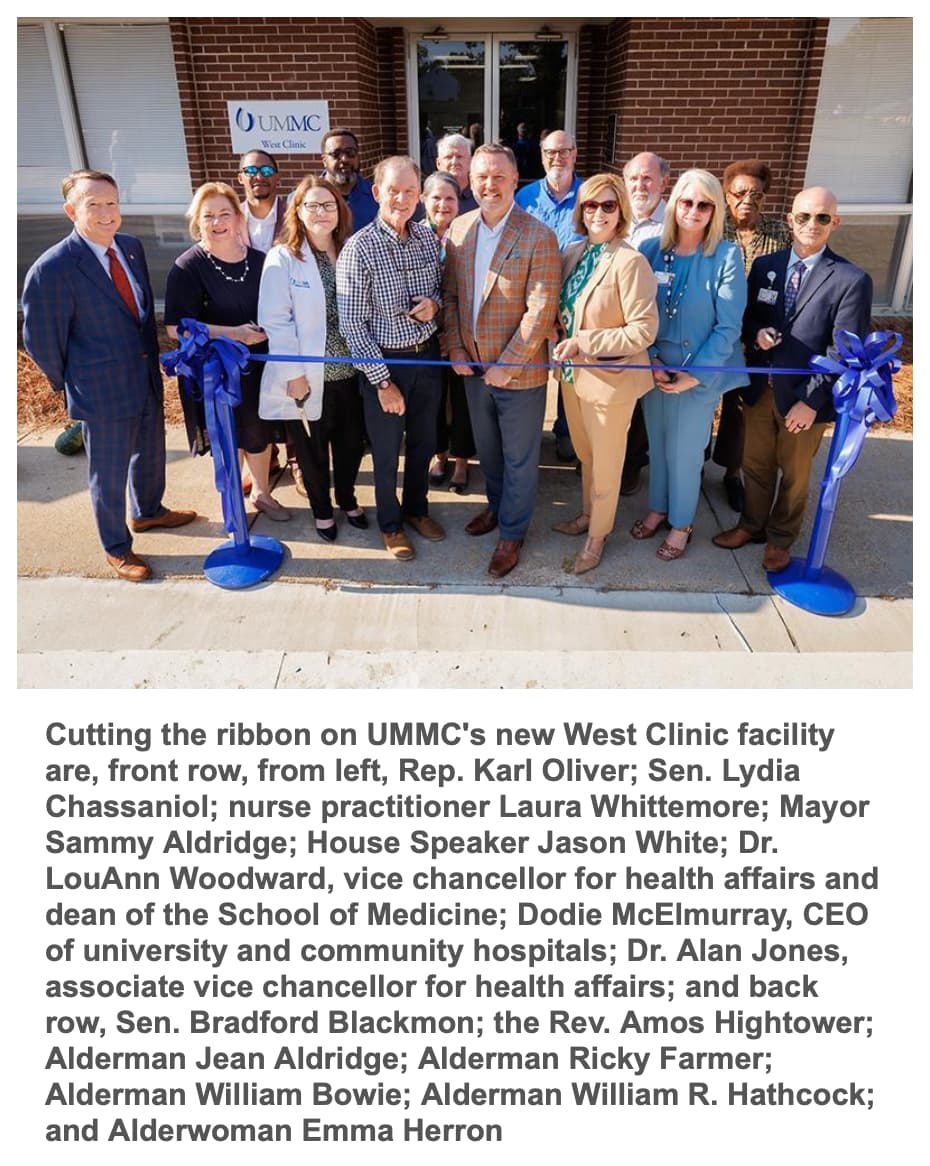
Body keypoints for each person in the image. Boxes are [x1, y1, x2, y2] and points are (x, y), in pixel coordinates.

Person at [22, 169, 195, 582]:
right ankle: (117, 548)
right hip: (99, 390)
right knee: (108, 472)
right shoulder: (54, 269)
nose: (106, 213)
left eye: (112, 203)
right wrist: (70, 384)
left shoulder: (131, 248)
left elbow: (137, 314)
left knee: (151, 453)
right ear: (71, 211)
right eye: (93, 205)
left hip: (143, 377)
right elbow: (41, 341)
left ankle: (149, 511)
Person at [713, 186, 872, 573]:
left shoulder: (851, 279)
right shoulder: (767, 265)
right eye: (803, 216)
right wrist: (757, 334)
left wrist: (812, 401)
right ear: (789, 220)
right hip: (759, 389)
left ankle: (781, 539)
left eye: (822, 217)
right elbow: (747, 316)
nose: (811, 224)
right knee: (756, 465)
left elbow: (844, 351)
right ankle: (751, 525)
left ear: (835, 222)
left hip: (804, 398)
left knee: (795, 474)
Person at [443, 143, 561, 579]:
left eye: (498, 176)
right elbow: (451, 297)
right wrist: (455, 347)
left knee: (518, 459)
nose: (488, 185)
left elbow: (541, 310)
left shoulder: (538, 235)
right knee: (489, 455)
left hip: (521, 374)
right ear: (469, 182)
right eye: (481, 177)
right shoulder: (459, 229)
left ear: (516, 181)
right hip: (472, 370)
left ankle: (512, 533)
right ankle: (496, 509)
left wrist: (508, 364)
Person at [635, 169, 748, 561]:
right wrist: (648, 360)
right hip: (653, 369)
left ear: (715, 210)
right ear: (674, 204)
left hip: (698, 375)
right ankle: (658, 507)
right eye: (687, 202)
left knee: (685, 451)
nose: (694, 210)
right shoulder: (650, 250)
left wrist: (694, 375)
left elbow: (728, 326)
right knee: (659, 445)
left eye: (704, 204)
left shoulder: (727, 255)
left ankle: (681, 522)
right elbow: (637, 313)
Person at [336, 155, 444, 561]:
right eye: (393, 190)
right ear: (377, 193)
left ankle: (417, 509)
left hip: (427, 359)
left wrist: (433, 306)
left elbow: (436, 289)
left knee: (423, 442)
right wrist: (382, 382)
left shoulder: (425, 239)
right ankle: (391, 524)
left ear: (420, 195)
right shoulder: (358, 249)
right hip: (385, 363)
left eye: (410, 191)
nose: (402, 198)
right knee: (385, 452)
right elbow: (353, 326)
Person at [551, 174, 658, 575]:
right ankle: (586, 515)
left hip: (612, 380)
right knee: (586, 456)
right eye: (590, 205)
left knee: (608, 463)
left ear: (621, 212)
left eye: (608, 205)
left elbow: (643, 330)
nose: (598, 212)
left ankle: (597, 536)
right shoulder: (574, 252)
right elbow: (566, 309)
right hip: (572, 378)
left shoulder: (630, 262)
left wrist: (585, 341)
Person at [164, 182, 288, 522]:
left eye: (224, 213)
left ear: (238, 217)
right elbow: (177, 327)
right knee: (230, 434)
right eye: (208, 216)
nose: (217, 222)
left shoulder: (262, 261)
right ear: (197, 222)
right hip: (215, 372)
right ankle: (233, 498)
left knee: (259, 431)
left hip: (259, 365)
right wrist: (233, 334)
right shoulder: (187, 267)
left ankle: (262, 492)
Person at [257, 176, 367, 542]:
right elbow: (276, 319)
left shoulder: (351, 249)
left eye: (329, 205)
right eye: (312, 206)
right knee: (312, 449)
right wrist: (293, 373)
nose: (321, 212)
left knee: (351, 444)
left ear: (340, 210)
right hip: (309, 375)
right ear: (298, 212)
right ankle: (322, 509)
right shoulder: (284, 257)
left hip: (352, 373)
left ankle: (348, 497)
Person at [712, 159, 794, 513]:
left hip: (757, 334)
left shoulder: (780, 233)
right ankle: (692, 459)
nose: (748, 200)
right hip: (713, 327)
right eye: (740, 192)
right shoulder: (714, 229)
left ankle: (733, 473)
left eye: (757, 194)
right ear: (726, 195)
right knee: (700, 399)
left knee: (740, 407)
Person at [516, 130, 584, 462]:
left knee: (571, 370)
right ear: (542, 156)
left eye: (564, 152)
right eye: (551, 153)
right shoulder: (524, 197)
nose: (558, 158)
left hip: (577, 301)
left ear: (575, 154)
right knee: (532, 366)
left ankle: (566, 431)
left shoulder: (591, 195)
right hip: (533, 299)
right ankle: (530, 430)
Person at [619, 151, 672, 496]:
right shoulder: (615, 216)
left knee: (643, 406)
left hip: (656, 330)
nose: (640, 184)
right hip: (615, 329)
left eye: (648, 178)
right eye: (634, 178)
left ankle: (632, 465)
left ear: (664, 182)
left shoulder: (675, 224)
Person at [421, 172, 476, 494]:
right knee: (434, 404)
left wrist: (453, 335)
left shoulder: (469, 236)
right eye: (436, 198)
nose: (443, 204)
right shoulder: (414, 237)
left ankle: (461, 461)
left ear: (459, 202)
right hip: (426, 339)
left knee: (463, 402)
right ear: (424, 201)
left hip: (463, 337)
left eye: (450, 198)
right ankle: (439, 456)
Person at [320, 127, 378, 234]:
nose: (345, 159)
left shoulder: (378, 197)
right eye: (336, 154)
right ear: (324, 160)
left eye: (350, 152)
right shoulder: (303, 199)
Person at [236, 149, 287, 254]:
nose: (259, 177)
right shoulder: (232, 218)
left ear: (278, 177)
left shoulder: (294, 215)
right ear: (240, 178)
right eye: (250, 171)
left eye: (267, 171)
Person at [435, 134, 479, 214]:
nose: (454, 162)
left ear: (471, 161)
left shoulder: (480, 197)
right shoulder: (428, 199)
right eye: (448, 157)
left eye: (459, 157)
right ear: (438, 163)